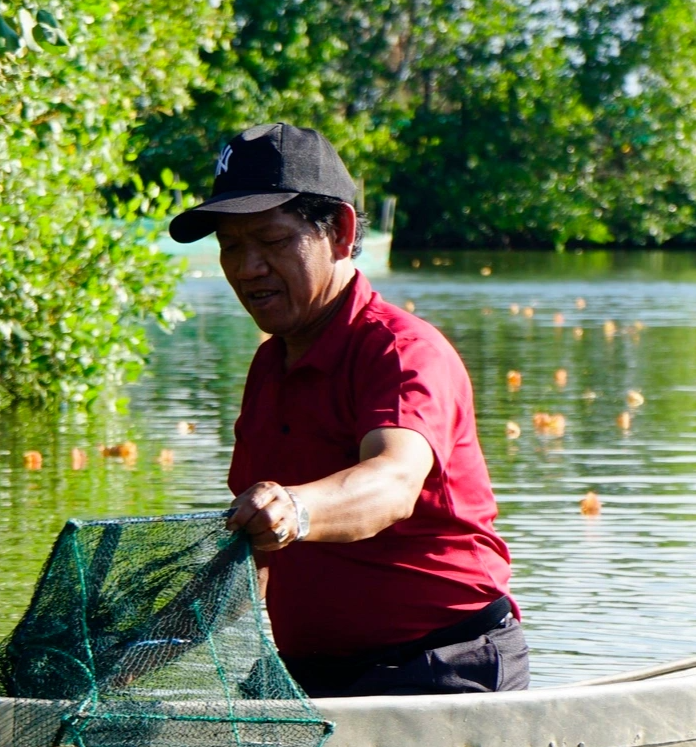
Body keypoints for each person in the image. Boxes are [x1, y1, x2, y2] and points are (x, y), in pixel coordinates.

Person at [167, 122, 528, 697]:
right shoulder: (270, 365)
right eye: (231, 246)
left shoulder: (402, 351)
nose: (247, 266)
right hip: (313, 671)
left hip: (443, 667)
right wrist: (147, 647)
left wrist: (294, 509)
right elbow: (254, 550)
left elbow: (391, 482)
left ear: (340, 232)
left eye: (272, 240)